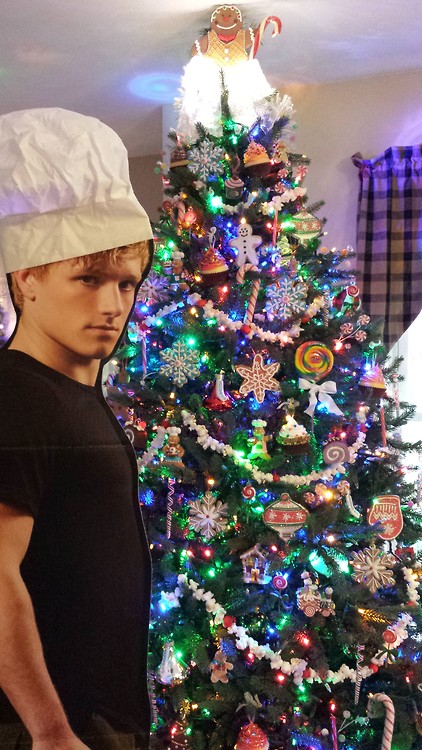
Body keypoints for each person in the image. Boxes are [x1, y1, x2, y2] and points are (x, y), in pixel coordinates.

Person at [0, 108, 154, 750]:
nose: (112, 305)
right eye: (87, 279)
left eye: (125, 283)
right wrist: (51, 730)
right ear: (26, 278)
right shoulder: (17, 393)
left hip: (99, 721)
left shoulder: (74, 394)